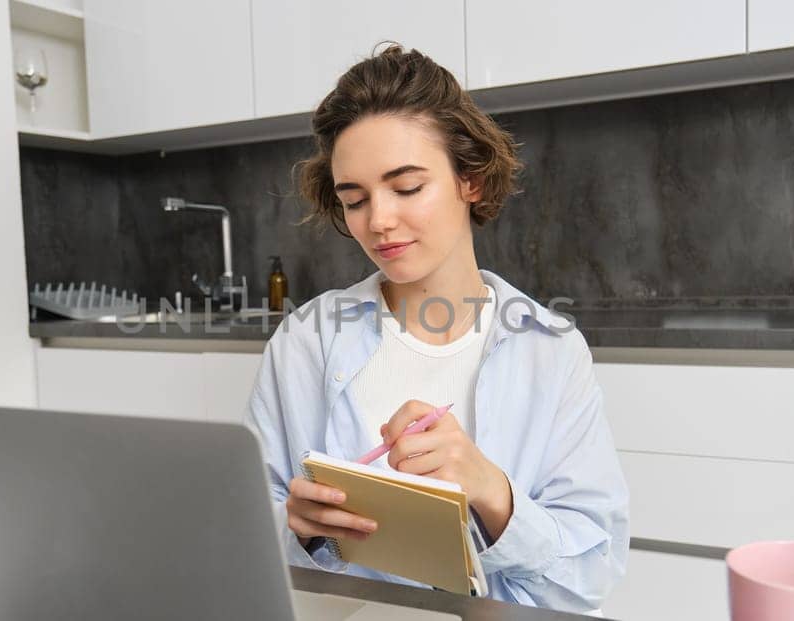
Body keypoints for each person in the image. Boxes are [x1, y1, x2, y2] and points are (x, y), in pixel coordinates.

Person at [243, 44, 629, 614]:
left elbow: (589, 576)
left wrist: (492, 492)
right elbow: (247, 526)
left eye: (406, 188)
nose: (378, 221)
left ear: (468, 180)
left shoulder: (548, 348)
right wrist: (296, 528)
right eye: (354, 199)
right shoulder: (307, 339)